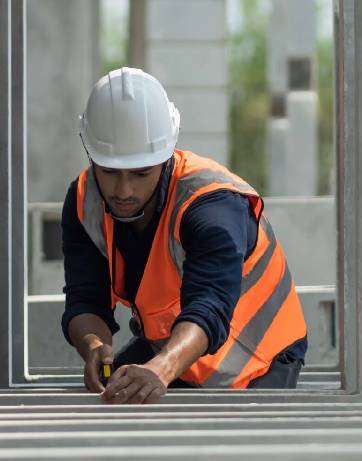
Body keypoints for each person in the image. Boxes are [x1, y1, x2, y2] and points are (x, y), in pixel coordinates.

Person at [60, 67, 308, 405]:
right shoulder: (83, 200)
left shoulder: (212, 205)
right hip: (170, 352)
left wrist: (162, 368)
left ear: (164, 159)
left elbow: (210, 303)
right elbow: (85, 297)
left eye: (140, 173)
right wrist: (93, 347)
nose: (124, 190)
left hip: (257, 360)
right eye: (109, 172)